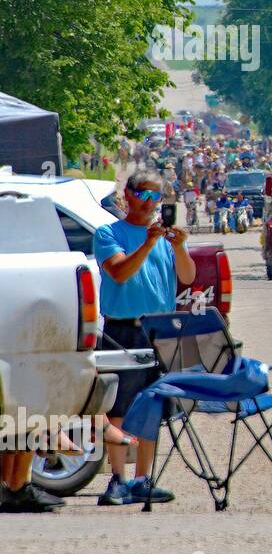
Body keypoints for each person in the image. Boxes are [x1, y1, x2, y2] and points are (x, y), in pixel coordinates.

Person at [93, 170, 196, 505]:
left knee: (151, 406)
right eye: (145, 195)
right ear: (129, 195)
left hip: (159, 328)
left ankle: (143, 479)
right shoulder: (109, 232)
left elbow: (187, 276)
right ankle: (118, 480)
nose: (150, 204)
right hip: (123, 329)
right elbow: (119, 271)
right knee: (118, 409)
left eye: (157, 198)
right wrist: (149, 243)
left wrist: (178, 247)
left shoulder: (165, 239)